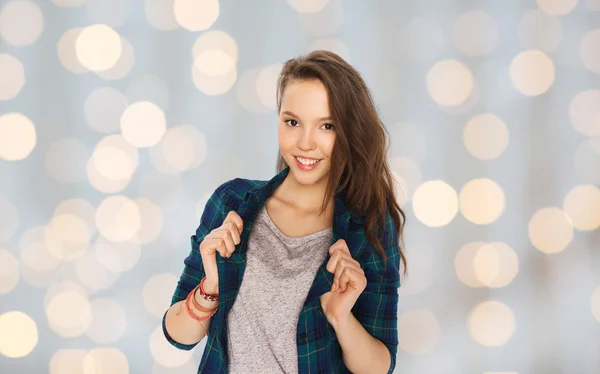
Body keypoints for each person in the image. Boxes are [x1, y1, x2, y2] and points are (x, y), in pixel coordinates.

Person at [162, 50, 407, 374]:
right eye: (293, 122)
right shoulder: (232, 202)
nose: (305, 143)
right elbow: (177, 335)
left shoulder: (370, 228)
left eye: (327, 126)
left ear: (348, 131)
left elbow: (380, 367)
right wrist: (211, 286)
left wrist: (341, 317)